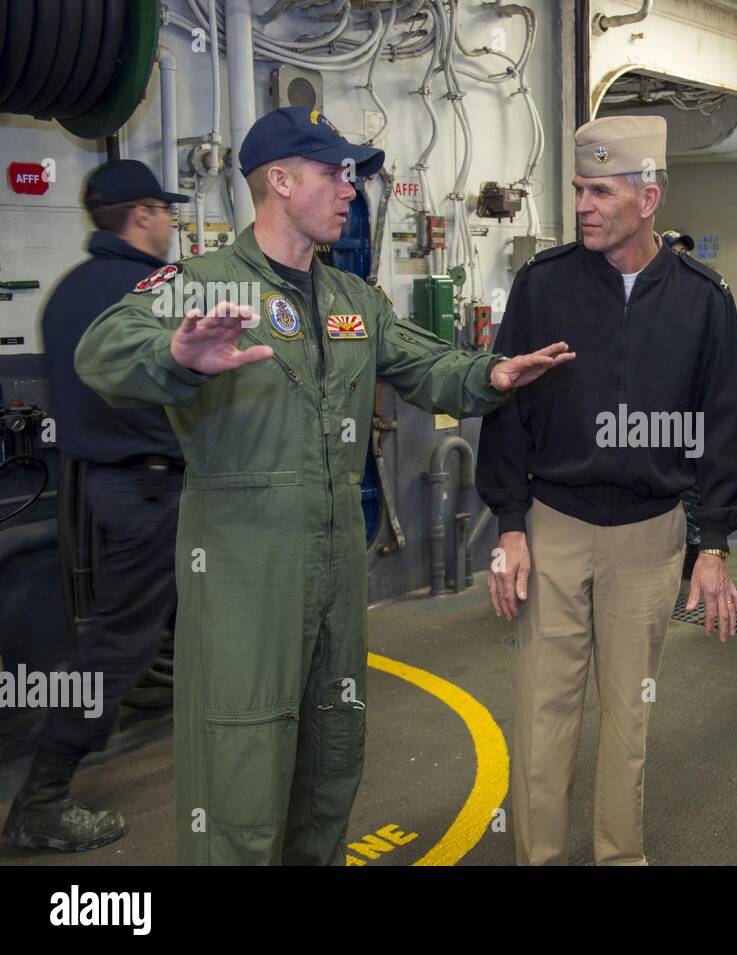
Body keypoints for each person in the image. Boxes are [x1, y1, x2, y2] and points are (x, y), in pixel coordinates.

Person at [74, 107, 570, 865]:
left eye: (351, 175)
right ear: (279, 180)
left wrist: (491, 373)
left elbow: (426, 363)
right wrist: (176, 355)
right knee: (239, 759)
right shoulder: (203, 284)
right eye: (335, 173)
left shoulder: (351, 298)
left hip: (338, 557)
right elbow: (104, 348)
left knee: (333, 751)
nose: (350, 189)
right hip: (244, 560)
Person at [476, 115, 737, 865]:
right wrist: (508, 526)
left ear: (648, 196)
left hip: (649, 536)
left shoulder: (704, 299)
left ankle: (618, 857)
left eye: (601, 190)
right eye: (578, 189)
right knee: (543, 716)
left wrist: (716, 541)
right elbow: (507, 405)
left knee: (630, 721)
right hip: (553, 525)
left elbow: (724, 425)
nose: (585, 205)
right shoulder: (544, 285)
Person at [3, 161, 188, 852]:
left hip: (106, 484)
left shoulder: (65, 293)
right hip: (156, 488)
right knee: (118, 643)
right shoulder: (158, 290)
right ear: (140, 213)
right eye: (164, 211)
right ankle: (41, 797)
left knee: (138, 629)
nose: (171, 223)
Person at [662, 228, 703, 573]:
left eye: (684, 252)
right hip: (658, 411)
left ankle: (698, 544)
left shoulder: (702, 293)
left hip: (694, 406)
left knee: (697, 475)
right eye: (673, 251)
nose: (681, 258)